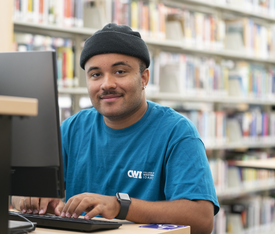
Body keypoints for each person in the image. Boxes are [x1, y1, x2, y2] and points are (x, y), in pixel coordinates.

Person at [12, 23, 220, 234]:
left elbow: (201, 219)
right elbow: (17, 194)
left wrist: (120, 206)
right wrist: (30, 200)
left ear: (144, 78)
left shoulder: (177, 132)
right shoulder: (72, 128)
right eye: (96, 75)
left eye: (120, 72)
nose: (106, 84)